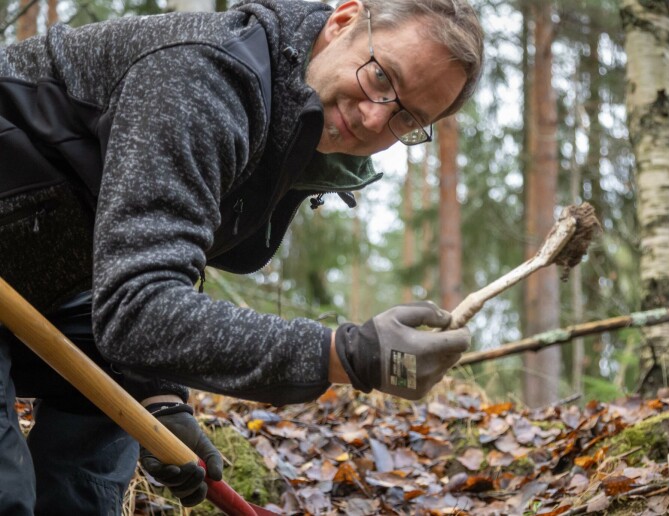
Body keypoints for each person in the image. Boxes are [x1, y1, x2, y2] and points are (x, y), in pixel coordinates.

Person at [0, 0, 483, 512]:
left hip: (31, 279)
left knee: (89, 468)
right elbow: (138, 312)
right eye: (382, 76)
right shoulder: (205, 77)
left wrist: (158, 395)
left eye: (407, 117)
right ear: (342, 21)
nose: (375, 116)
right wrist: (342, 353)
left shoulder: (287, 129)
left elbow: (141, 260)